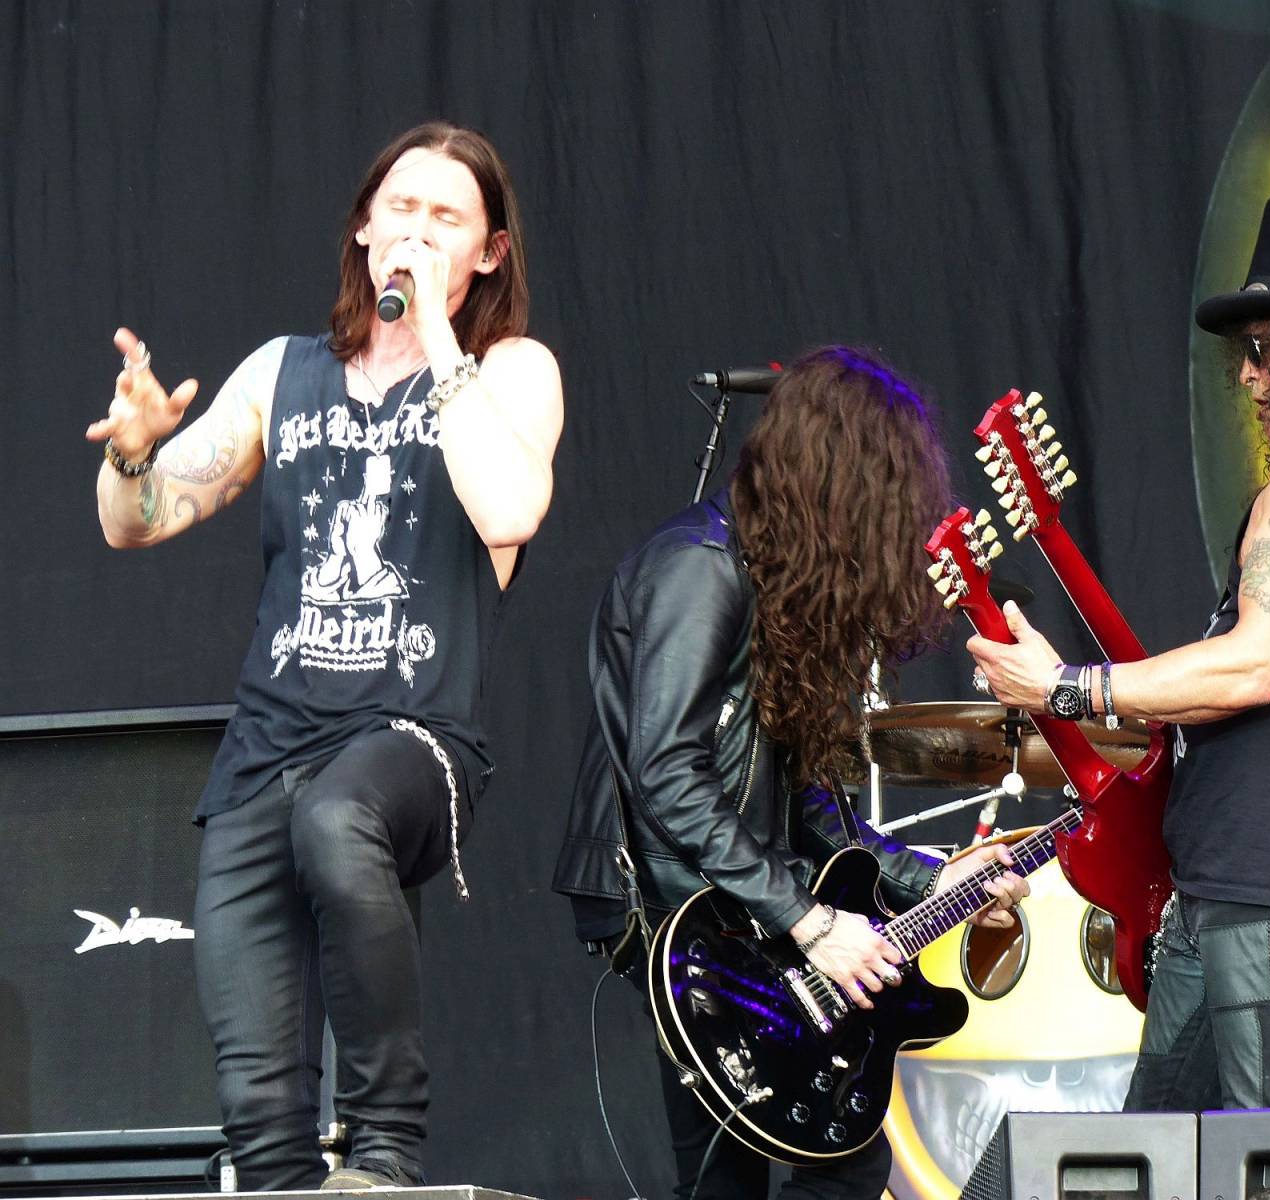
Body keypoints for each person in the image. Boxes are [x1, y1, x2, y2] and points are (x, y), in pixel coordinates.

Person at [86, 122, 563, 1190]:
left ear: (489, 251)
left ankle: (385, 1150)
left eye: (447, 218)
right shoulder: (283, 373)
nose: (417, 232)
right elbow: (135, 523)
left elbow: (509, 509)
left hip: (413, 737)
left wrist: (436, 336)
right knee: (257, 1107)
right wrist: (133, 455)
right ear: (362, 228)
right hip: (268, 747)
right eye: (401, 209)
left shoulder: (511, 371)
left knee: (338, 820)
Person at [969, 193, 1270, 1110]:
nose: (1249, 379)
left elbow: (1252, 666)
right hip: (1234, 888)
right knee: (1154, 1155)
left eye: (1263, 350)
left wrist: (1063, 686)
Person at [555, 346, 1029, 1200]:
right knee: (737, 1174)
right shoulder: (698, 566)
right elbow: (666, 773)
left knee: (840, 1158)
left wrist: (935, 880)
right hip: (678, 906)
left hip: (746, 896)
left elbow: (813, 807)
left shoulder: (784, 586)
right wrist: (808, 921)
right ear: (840, 482)